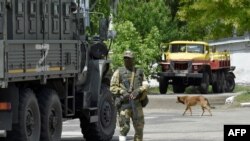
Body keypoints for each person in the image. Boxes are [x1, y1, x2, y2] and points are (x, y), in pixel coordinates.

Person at [110, 50, 149, 141]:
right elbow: (112, 87)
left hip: (137, 104)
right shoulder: (119, 72)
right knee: (124, 128)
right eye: (125, 58)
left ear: (133, 59)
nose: (127, 60)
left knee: (139, 129)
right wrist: (123, 92)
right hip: (125, 105)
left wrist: (138, 90)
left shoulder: (139, 72)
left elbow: (146, 85)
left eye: (129, 58)